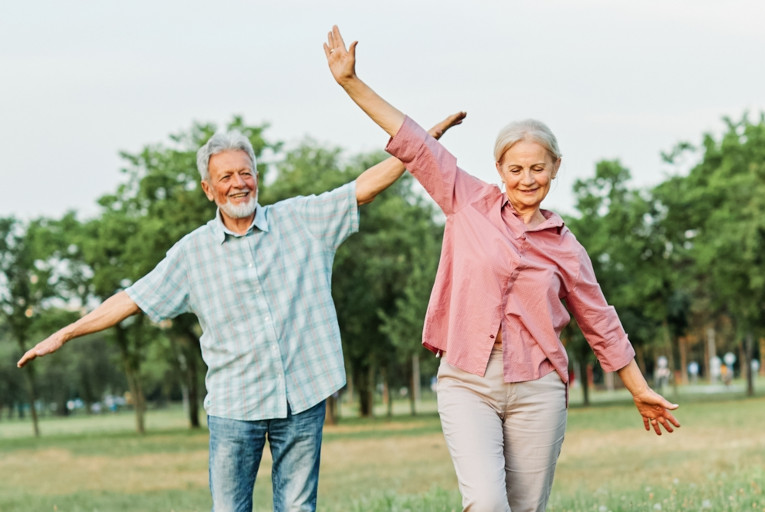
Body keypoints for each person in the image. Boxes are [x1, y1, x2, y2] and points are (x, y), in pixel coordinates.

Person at [16, 114, 463, 512]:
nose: (238, 183)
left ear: (257, 178)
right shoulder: (190, 254)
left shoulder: (301, 220)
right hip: (235, 407)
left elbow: (364, 187)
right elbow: (130, 299)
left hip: (304, 396)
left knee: (299, 506)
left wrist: (422, 142)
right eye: (225, 176)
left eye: (245, 172)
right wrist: (65, 333)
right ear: (209, 189)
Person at [324, 25, 681, 512]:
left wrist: (639, 389)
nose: (527, 178)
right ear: (499, 169)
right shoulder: (465, 201)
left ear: (555, 168)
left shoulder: (566, 249)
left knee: (525, 508)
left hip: (538, 386)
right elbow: (412, 142)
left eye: (538, 168)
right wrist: (350, 83)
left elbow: (601, 322)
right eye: (516, 169)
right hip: (468, 378)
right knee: (488, 504)